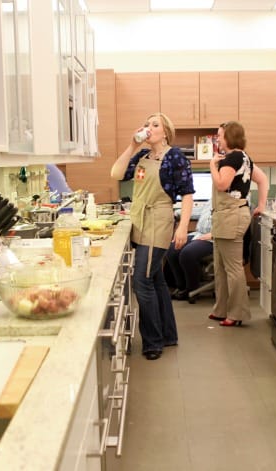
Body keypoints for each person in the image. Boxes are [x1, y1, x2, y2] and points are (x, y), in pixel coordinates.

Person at [111, 112, 194, 360]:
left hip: (158, 221)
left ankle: (152, 342)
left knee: (142, 282)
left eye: (154, 125)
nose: (149, 128)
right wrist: (132, 145)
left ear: (165, 132)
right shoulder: (142, 156)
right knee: (156, 281)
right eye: (147, 124)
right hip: (139, 220)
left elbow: (187, 194)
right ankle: (167, 335)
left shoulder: (175, 157)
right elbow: (116, 174)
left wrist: (183, 228)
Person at [209, 121, 268, 327]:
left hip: (230, 216)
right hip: (227, 216)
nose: (217, 139)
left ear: (229, 137)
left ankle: (236, 314)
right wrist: (260, 204)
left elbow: (222, 185)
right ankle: (221, 309)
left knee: (232, 268)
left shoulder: (233, 158)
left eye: (219, 135)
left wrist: (211, 166)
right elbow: (262, 180)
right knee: (221, 267)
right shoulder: (244, 158)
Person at [166, 199, 213, 303]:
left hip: (214, 238)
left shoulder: (238, 199)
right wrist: (176, 212)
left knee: (188, 254)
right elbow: (199, 211)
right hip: (200, 234)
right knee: (173, 249)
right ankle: (181, 287)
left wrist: (214, 234)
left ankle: (193, 289)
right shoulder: (213, 199)